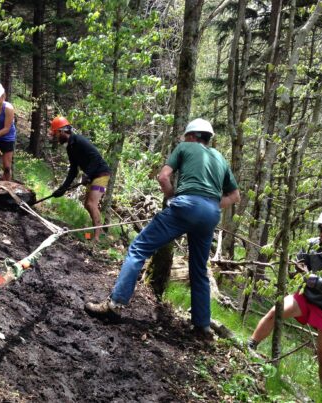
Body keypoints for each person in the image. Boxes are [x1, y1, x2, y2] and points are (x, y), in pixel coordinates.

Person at [84, 118, 240, 342]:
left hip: (185, 206)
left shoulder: (185, 147)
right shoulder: (220, 158)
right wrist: (209, 207)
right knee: (199, 270)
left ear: (192, 136)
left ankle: (115, 305)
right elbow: (234, 196)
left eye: (187, 136)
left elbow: (163, 176)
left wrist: (172, 197)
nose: (185, 139)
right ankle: (202, 328)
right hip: (210, 214)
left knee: (138, 249)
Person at [247, 207, 322, 390]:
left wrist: (311, 279)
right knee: (276, 311)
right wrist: (293, 270)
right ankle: (250, 346)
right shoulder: (310, 245)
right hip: (306, 297)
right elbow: (296, 271)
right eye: (321, 228)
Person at [49, 116, 111, 242]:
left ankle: (97, 237)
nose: (55, 137)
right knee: (87, 205)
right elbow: (73, 170)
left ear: (61, 131)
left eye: (55, 134)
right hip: (92, 175)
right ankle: (98, 232)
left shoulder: (79, 140)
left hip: (101, 173)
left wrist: (87, 175)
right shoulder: (70, 147)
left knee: (91, 203)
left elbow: (95, 158)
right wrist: (63, 188)